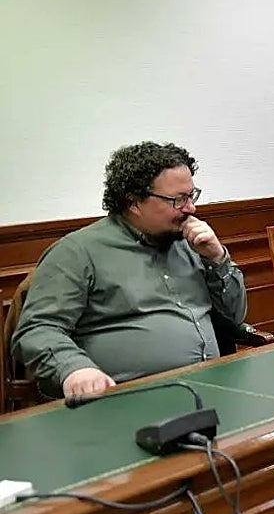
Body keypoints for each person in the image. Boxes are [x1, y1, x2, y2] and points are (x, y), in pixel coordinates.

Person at [12, 142, 246, 399]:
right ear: (134, 203)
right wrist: (74, 369)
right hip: (125, 400)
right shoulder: (78, 252)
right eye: (178, 200)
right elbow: (38, 329)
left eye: (192, 196)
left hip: (211, 385)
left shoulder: (191, 242)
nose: (191, 208)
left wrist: (217, 258)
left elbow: (233, 318)